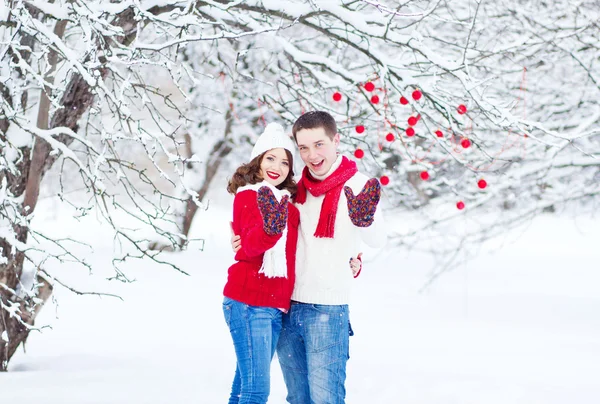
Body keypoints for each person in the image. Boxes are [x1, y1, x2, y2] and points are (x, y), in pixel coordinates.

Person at [232, 111, 386, 403]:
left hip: (328, 310)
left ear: (336, 140)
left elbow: (378, 240)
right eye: (303, 148)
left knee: (326, 399)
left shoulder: (357, 185)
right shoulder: (292, 187)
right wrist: (239, 236)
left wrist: (366, 222)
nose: (312, 155)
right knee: (298, 398)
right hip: (287, 307)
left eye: (319, 144)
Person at [222, 122, 300, 404]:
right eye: (270, 158)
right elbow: (249, 249)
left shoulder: (288, 204)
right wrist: (271, 228)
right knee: (255, 392)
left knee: (244, 387)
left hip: (273, 305)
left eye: (284, 161)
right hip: (248, 302)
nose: (276, 166)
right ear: (258, 159)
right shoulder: (248, 196)